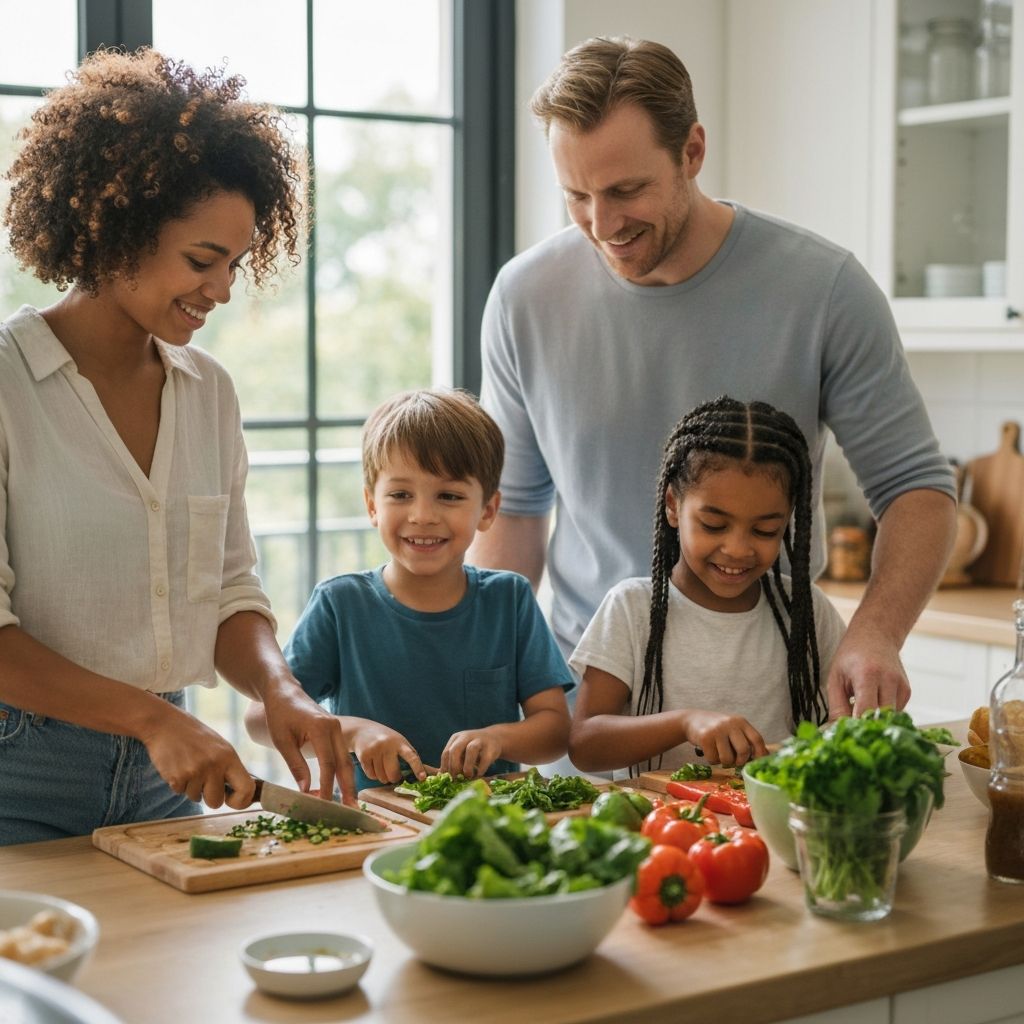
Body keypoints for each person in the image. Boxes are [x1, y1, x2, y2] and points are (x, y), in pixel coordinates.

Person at [471, 35, 957, 720]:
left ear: (692, 152)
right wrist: (488, 672)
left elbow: (918, 491)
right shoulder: (525, 297)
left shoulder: (824, 289)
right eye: (576, 195)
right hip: (593, 714)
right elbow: (515, 513)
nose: (602, 224)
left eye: (626, 190)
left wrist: (876, 632)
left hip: (773, 711)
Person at [0, 48, 355, 846]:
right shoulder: (6, 386)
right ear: (117, 226)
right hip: (18, 775)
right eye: (203, 260)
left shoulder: (209, 393)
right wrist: (150, 720)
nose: (223, 289)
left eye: (234, 262)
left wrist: (279, 689)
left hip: (166, 779)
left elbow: (231, 590)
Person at [244, 388, 572, 792]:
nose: (423, 516)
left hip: (487, 825)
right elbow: (260, 719)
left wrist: (499, 738)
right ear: (371, 505)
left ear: (487, 510)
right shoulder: (340, 604)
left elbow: (555, 729)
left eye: (449, 496)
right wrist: (350, 731)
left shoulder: (511, 599)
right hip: (369, 827)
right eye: (401, 495)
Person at [569, 396, 847, 775]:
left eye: (766, 530)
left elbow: (847, 720)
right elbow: (585, 745)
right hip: (661, 830)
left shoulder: (805, 609)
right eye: (714, 525)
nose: (737, 549)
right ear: (672, 506)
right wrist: (684, 722)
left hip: (769, 825)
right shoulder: (632, 608)